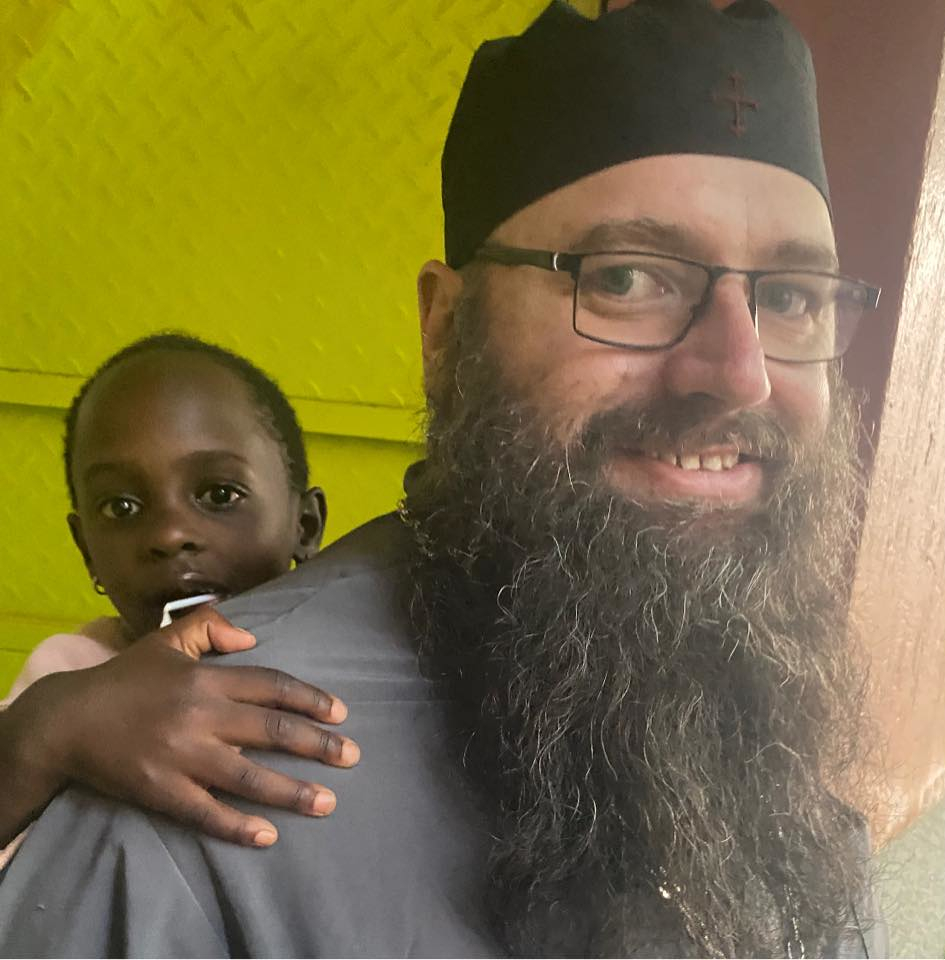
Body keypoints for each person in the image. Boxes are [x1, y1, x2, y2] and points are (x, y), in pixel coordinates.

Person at [0, 2, 889, 956]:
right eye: (626, 278)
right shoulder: (197, 796)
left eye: (791, 298)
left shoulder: (759, 689)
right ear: (443, 328)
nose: (738, 372)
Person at [0, 333, 360, 868]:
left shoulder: (361, 659)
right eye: (121, 507)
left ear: (304, 526)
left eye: (219, 495)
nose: (168, 534)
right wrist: (47, 731)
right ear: (87, 552)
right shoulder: (72, 676)